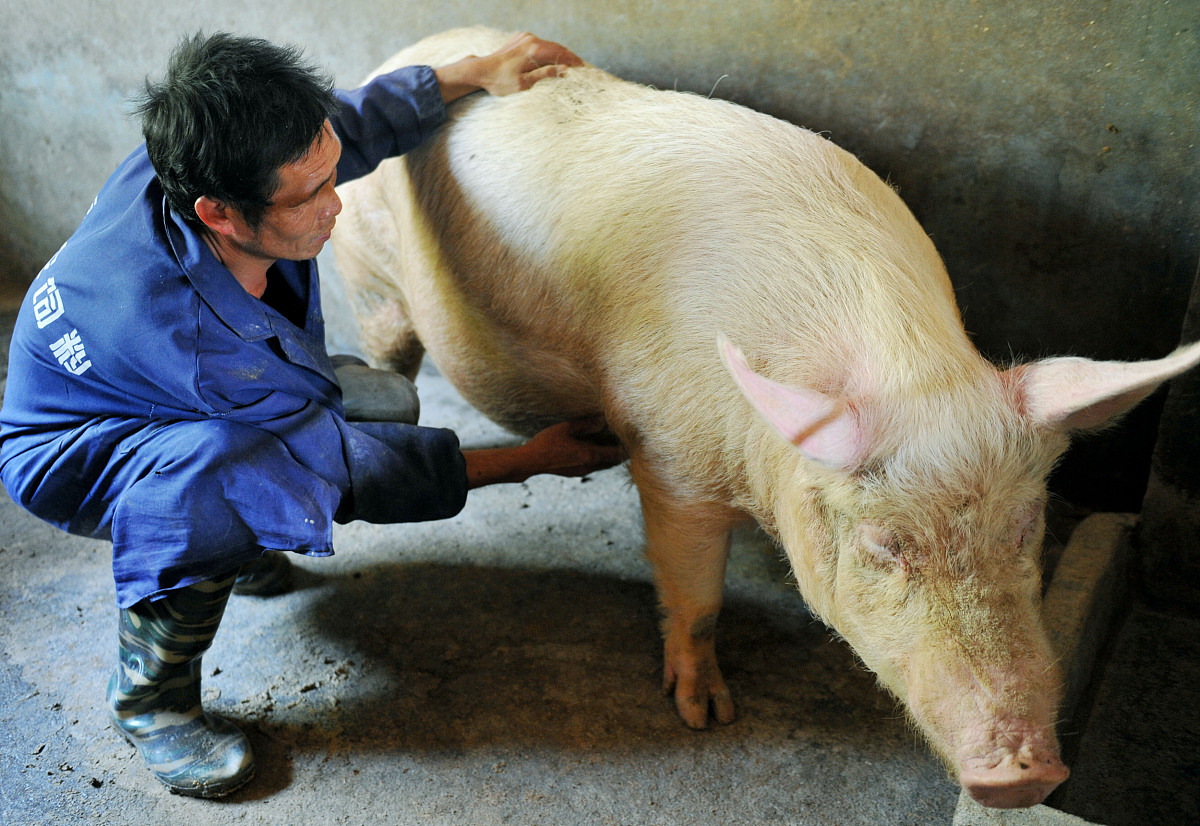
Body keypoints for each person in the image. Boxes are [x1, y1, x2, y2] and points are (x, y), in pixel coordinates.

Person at [0, 30, 621, 798]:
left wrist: (473, 73)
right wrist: (531, 458)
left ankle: (244, 540)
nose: (336, 205)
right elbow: (341, 470)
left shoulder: (199, 153)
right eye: (312, 195)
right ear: (219, 214)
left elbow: (347, 124)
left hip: (155, 385)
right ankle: (150, 702)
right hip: (73, 450)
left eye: (332, 176)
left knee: (379, 403)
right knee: (230, 475)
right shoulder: (198, 347)